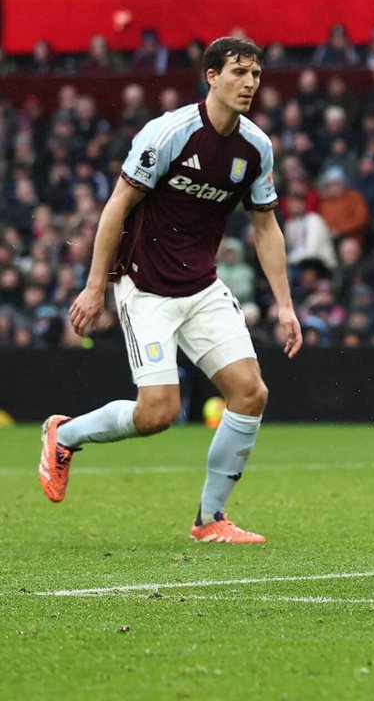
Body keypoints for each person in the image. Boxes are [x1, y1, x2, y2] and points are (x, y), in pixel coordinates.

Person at [42, 37, 302, 544]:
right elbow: (116, 206)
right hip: (146, 288)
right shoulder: (168, 134)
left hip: (202, 287)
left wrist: (286, 306)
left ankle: (210, 520)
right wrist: (97, 287)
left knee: (250, 394)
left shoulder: (256, 147)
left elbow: (266, 227)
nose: (250, 82)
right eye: (239, 72)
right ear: (211, 76)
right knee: (158, 413)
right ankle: (63, 433)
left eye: (256, 73)